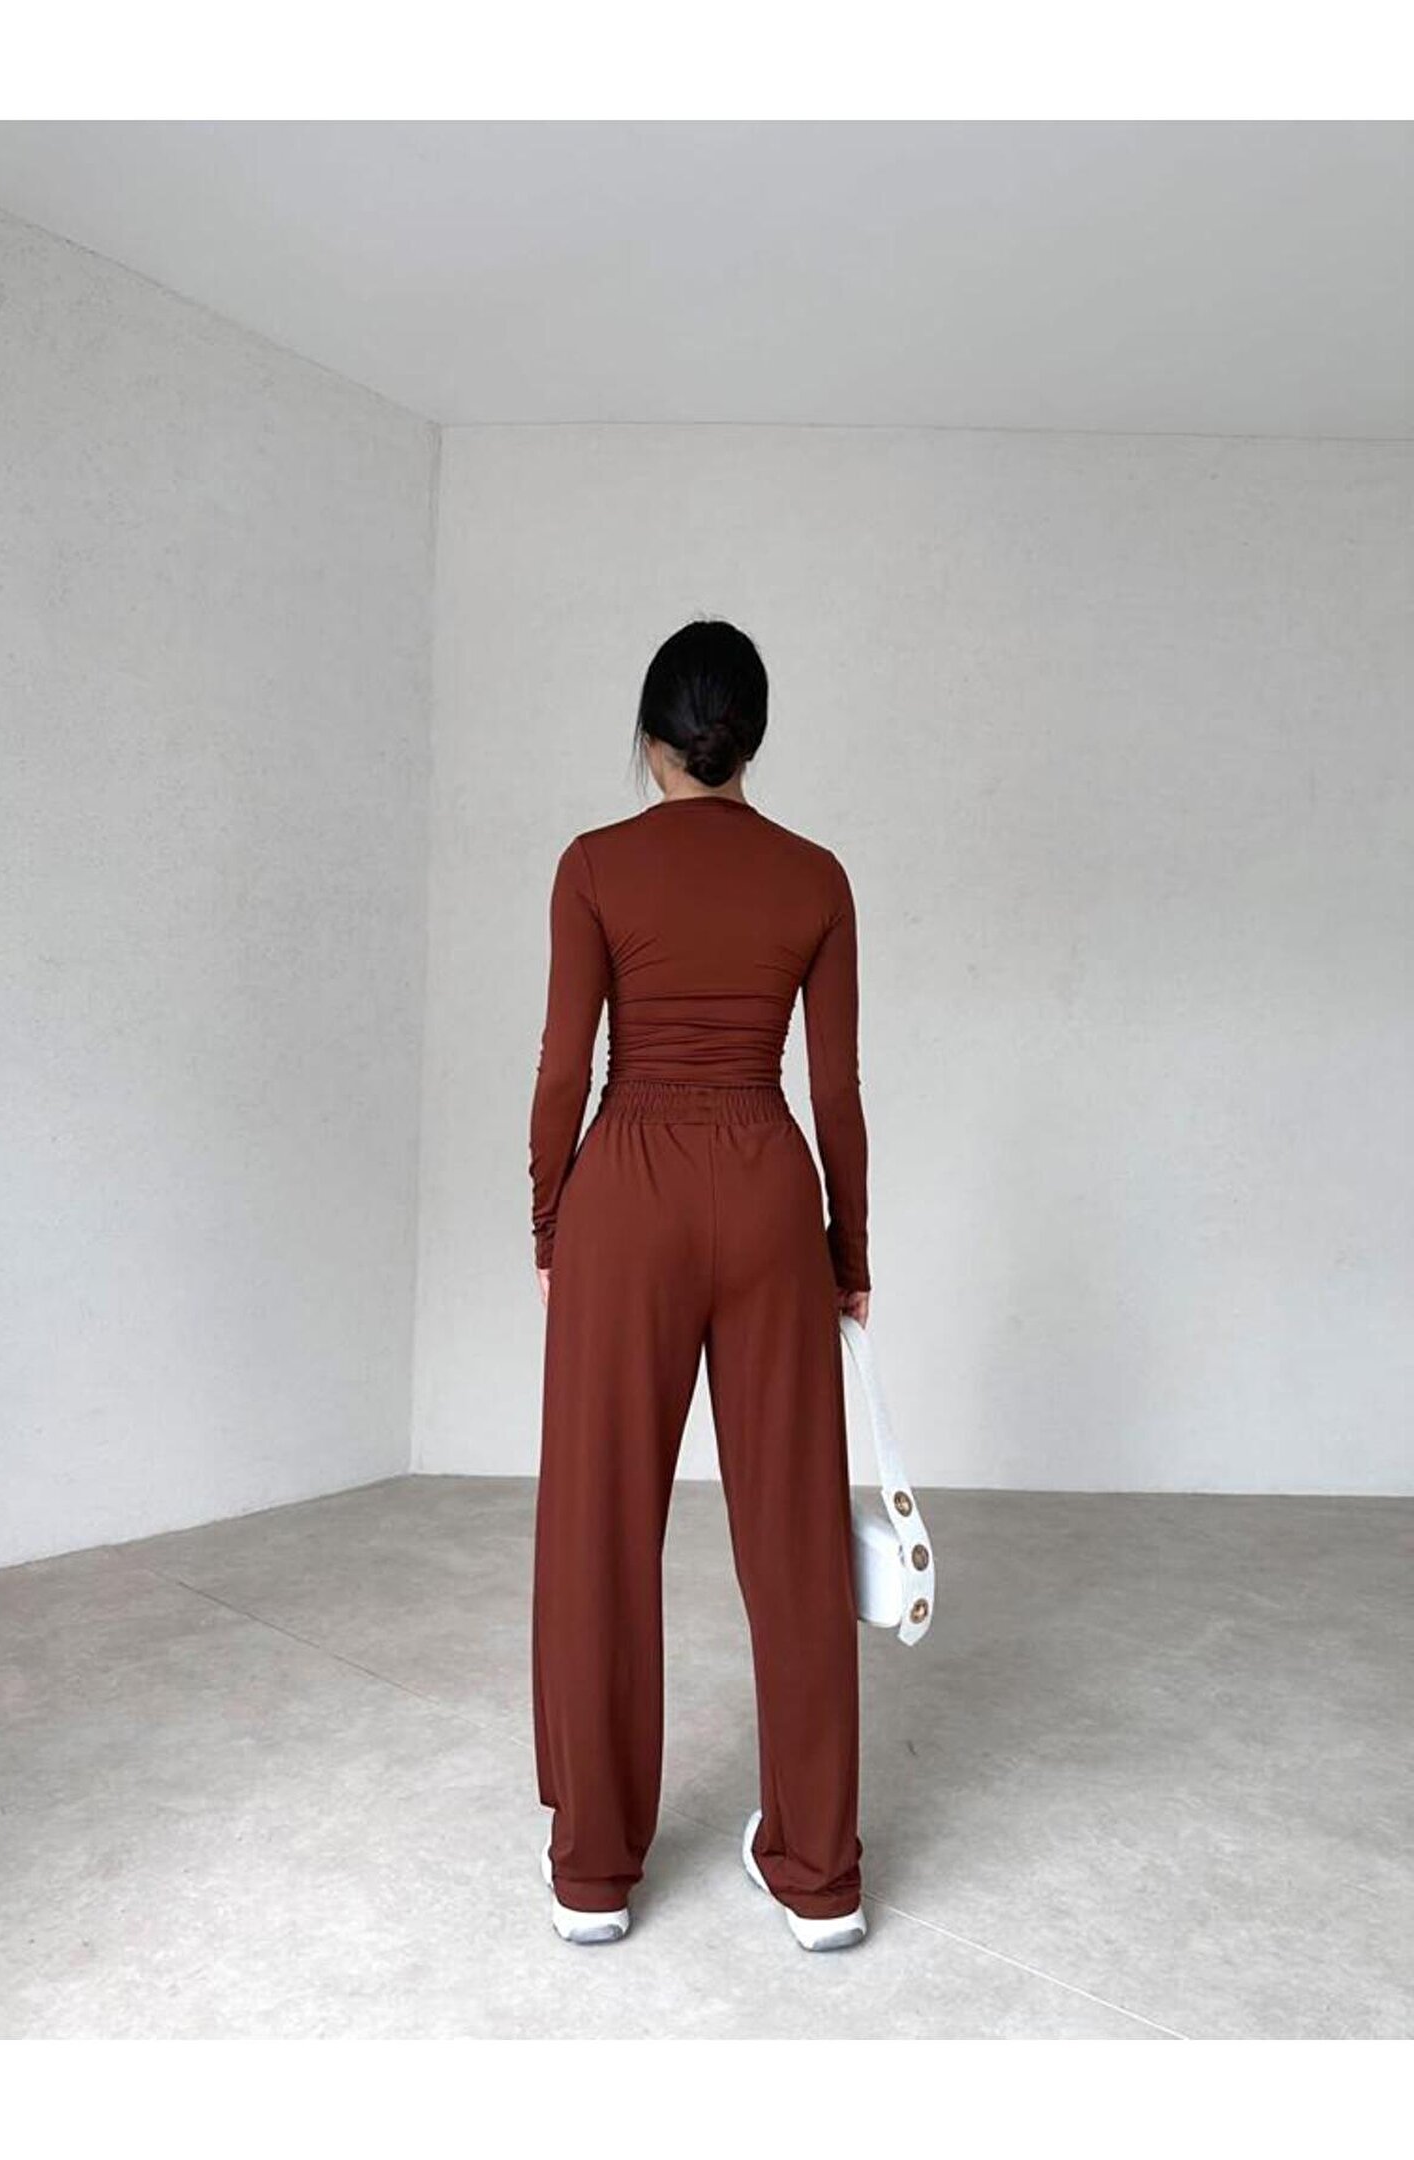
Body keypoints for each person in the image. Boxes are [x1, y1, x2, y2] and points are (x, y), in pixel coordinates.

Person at [528, 618, 871, 1952]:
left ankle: (594, 1874)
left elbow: (567, 1067)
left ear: (649, 739)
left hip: (627, 1194)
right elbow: (833, 1091)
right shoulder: (816, 877)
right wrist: (850, 1255)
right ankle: (820, 1877)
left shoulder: (593, 866)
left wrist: (550, 1222)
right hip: (770, 1191)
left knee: (601, 1527)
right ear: (752, 740)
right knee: (795, 1535)